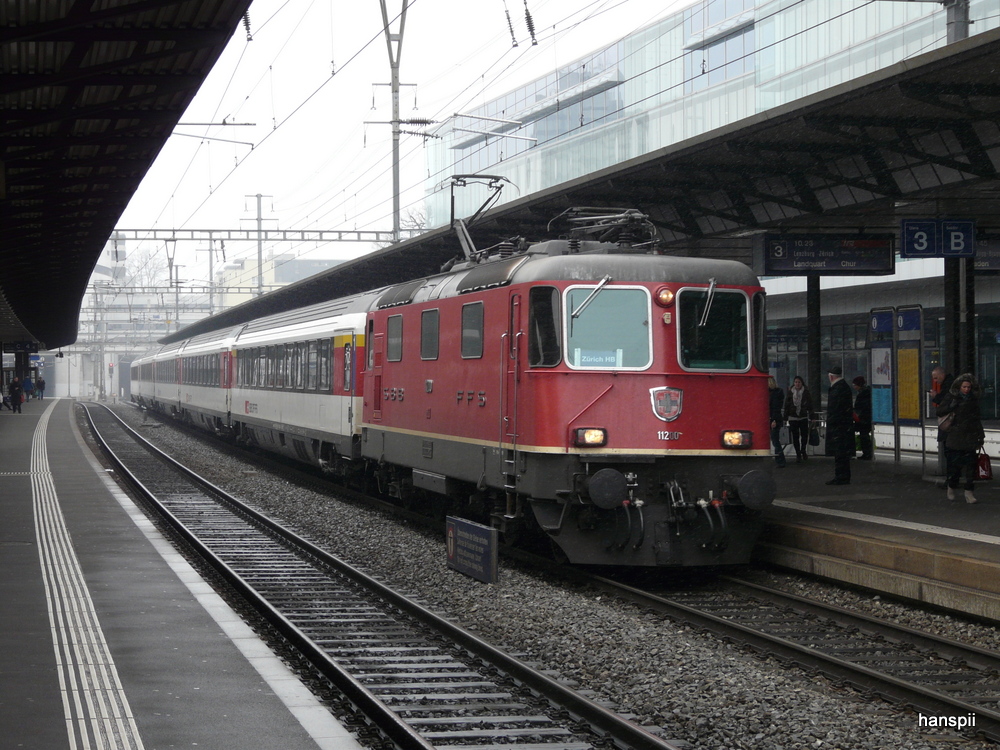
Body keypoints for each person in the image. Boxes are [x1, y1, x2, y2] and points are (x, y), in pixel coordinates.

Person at [936, 373, 985, 504]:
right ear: (959, 387)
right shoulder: (952, 397)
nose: (967, 389)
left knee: (970, 467)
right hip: (955, 437)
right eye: (964, 387)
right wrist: (951, 406)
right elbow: (940, 411)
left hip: (970, 436)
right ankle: (951, 486)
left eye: (968, 387)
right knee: (955, 467)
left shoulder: (973, 400)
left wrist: (980, 436)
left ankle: (969, 492)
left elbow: (976, 419)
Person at [825, 366, 854, 485]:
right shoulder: (844, 387)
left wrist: (832, 424)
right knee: (843, 454)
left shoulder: (837, 389)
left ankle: (841, 477)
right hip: (844, 426)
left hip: (839, 427)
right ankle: (843, 476)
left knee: (840, 454)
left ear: (831, 377)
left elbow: (834, 409)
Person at [783, 376, 815, 463]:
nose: (797, 384)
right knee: (795, 436)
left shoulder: (806, 392)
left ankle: (803, 450)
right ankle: (798, 454)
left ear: (802, 383)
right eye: (796, 382)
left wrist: (812, 416)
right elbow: (787, 405)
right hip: (793, 417)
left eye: (799, 382)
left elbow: (810, 405)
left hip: (803, 417)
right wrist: (785, 418)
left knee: (804, 436)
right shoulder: (790, 392)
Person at [930, 366, 954, 475]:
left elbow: (944, 403)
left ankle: (951, 479)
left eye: (936, 378)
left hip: (949, 424)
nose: (935, 381)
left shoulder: (948, 386)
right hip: (952, 425)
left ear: (941, 375)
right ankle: (952, 478)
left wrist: (936, 396)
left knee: (950, 453)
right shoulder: (950, 384)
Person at [852, 376, 873, 460]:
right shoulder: (865, 392)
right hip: (865, 418)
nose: (854, 387)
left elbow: (862, 407)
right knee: (864, 436)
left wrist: (858, 415)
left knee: (864, 436)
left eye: (855, 385)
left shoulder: (863, 394)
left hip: (863, 419)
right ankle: (867, 453)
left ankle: (867, 454)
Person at [768, 375, 786, 468]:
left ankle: (780, 461)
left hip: (773, 419)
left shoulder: (772, 393)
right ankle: (780, 460)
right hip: (776, 418)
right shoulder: (778, 392)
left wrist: (773, 419)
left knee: (775, 441)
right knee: (776, 441)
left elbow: (774, 407)